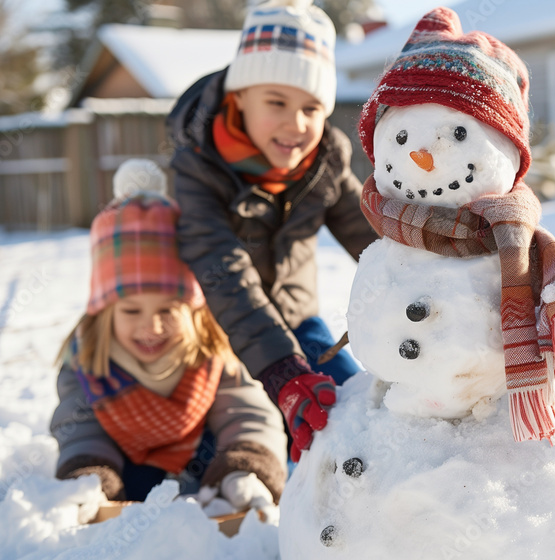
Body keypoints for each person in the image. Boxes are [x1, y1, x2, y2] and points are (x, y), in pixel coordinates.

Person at [165, 0, 377, 464]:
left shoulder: (323, 160)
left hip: (301, 321)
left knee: (349, 409)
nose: (296, 124)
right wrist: (282, 370)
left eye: (311, 107)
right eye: (276, 102)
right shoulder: (200, 167)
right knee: (222, 444)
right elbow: (222, 267)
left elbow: (371, 237)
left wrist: (433, 270)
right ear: (239, 97)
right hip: (216, 331)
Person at [50, 160, 288, 516]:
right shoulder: (88, 361)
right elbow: (80, 427)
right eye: (131, 311)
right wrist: (89, 475)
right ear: (104, 310)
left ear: (192, 309)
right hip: (124, 479)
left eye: (168, 310)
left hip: (208, 480)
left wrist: (247, 464)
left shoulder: (208, 352)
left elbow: (246, 410)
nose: (152, 327)